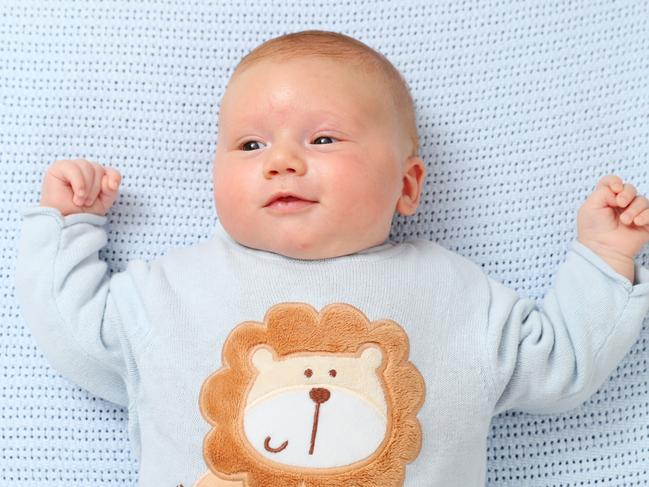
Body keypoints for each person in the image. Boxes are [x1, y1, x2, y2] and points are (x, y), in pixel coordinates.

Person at [14, 30, 649, 487]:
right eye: (249, 142)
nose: (281, 159)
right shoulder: (169, 292)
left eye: (323, 138)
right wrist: (67, 227)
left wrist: (603, 257)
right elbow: (75, 333)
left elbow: (561, 363)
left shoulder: (455, 293)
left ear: (406, 186)